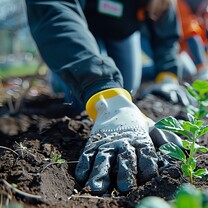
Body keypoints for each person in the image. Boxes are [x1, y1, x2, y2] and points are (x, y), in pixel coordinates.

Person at [26, 0, 183, 195]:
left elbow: (166, 35)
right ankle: (61, 71)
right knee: (78, 100)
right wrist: (103, 92)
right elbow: (53, 8)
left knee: (128, 86)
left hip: (121, 31)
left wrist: (167, 76)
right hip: (79, 22)